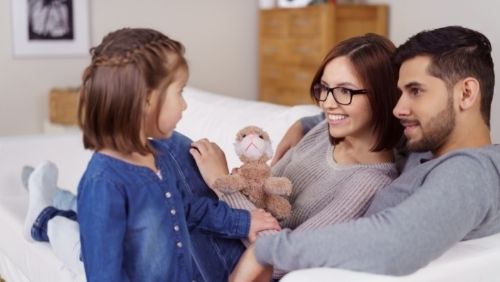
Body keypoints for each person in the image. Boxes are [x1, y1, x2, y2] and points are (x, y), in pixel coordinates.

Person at [230, 25, 500, 281]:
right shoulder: (428, 144)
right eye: (400, 93)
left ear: (466, 93)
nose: (398, 108)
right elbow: (373, 116)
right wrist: (304, 123)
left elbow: (395, 242)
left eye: (416, 91)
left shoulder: (470, 172)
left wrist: (267, 250)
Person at [22, 27, 280, 282]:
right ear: (146, 100)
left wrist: (243, 222)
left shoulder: (158, 157)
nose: (185, 104)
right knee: (73, 234)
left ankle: (54, 205)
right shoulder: (102, 182)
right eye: (179, 93)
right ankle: (49, 219)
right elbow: (104, 274)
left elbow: (187, 208)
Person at [190, 33, 403, 279]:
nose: (328, 104)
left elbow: (284, 258)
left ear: (383, 96)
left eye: (345, 91)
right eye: (324, 88)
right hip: (225, 228)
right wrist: (241, 184)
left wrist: (222, 185)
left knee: (174, 154)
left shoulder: (370, 183)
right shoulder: (323, 131)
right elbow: (266, 196)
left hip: (242, 258)